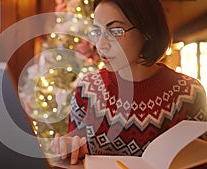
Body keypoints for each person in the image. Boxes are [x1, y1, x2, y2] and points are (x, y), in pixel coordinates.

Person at [50, 0, 207, 165]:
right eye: (97, 32)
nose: (101, 45)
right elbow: (74, 158)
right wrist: (71, 151)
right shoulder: (87, 90)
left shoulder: (188, 93)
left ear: (147, 31)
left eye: (115, 31)